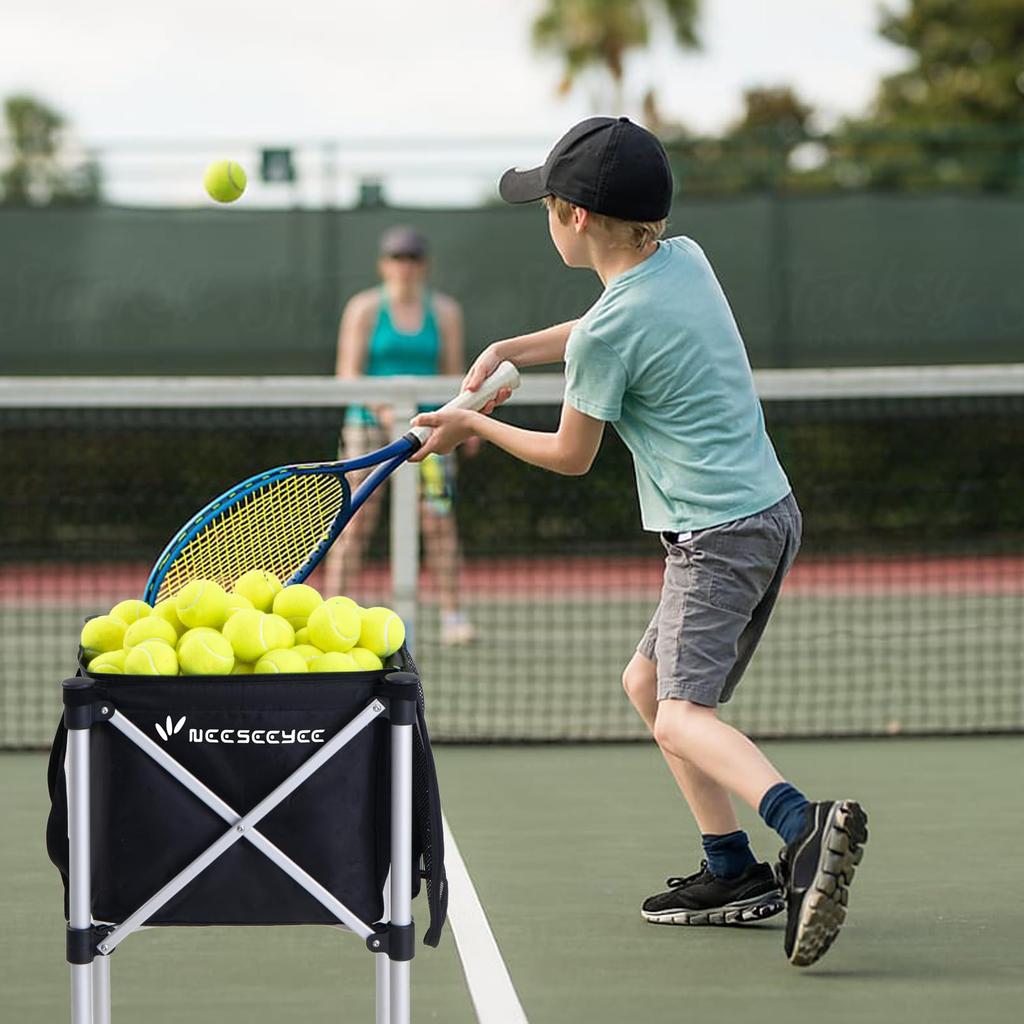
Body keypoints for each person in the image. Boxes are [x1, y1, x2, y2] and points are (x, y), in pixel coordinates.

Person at [409, 117, 869, 967]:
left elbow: (570, 454)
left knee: (681, 714)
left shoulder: (609, 334)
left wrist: (472, 425)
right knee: (646, 683)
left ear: (578, 217)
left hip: (716, 537)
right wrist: (511, 349)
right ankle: (730, 869)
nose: (545, 218)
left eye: (547, 205)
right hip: (768, 514)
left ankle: (803, 828)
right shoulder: (683, 261)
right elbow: (600, 328)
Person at [323, 225, 476, 645]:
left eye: (411, 258)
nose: (404, 266)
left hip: (430, 431)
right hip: (367, 427)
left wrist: (466, 422)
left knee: (438, 520)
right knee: (355, 519)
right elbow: (347, 373)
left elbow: (453, 373)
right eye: (396, 258)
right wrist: (385, 410)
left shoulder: (444, 312)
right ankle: (332, 613)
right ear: (383, 264)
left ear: (424, 265)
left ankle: (453, 616)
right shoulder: (364, 309)